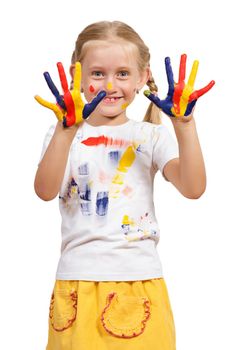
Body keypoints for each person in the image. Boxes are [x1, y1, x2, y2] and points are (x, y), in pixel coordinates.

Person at [34, 20, 214, 350]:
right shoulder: (66, 134)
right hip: (77, 285)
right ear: (78, 75)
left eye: (122, 74)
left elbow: (193, 187)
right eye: (98, 73)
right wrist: (64, 132)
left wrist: (185, 125)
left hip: (140, 282)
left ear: (143, 76)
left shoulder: (151, 135)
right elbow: (45, 190)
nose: (110, 85)